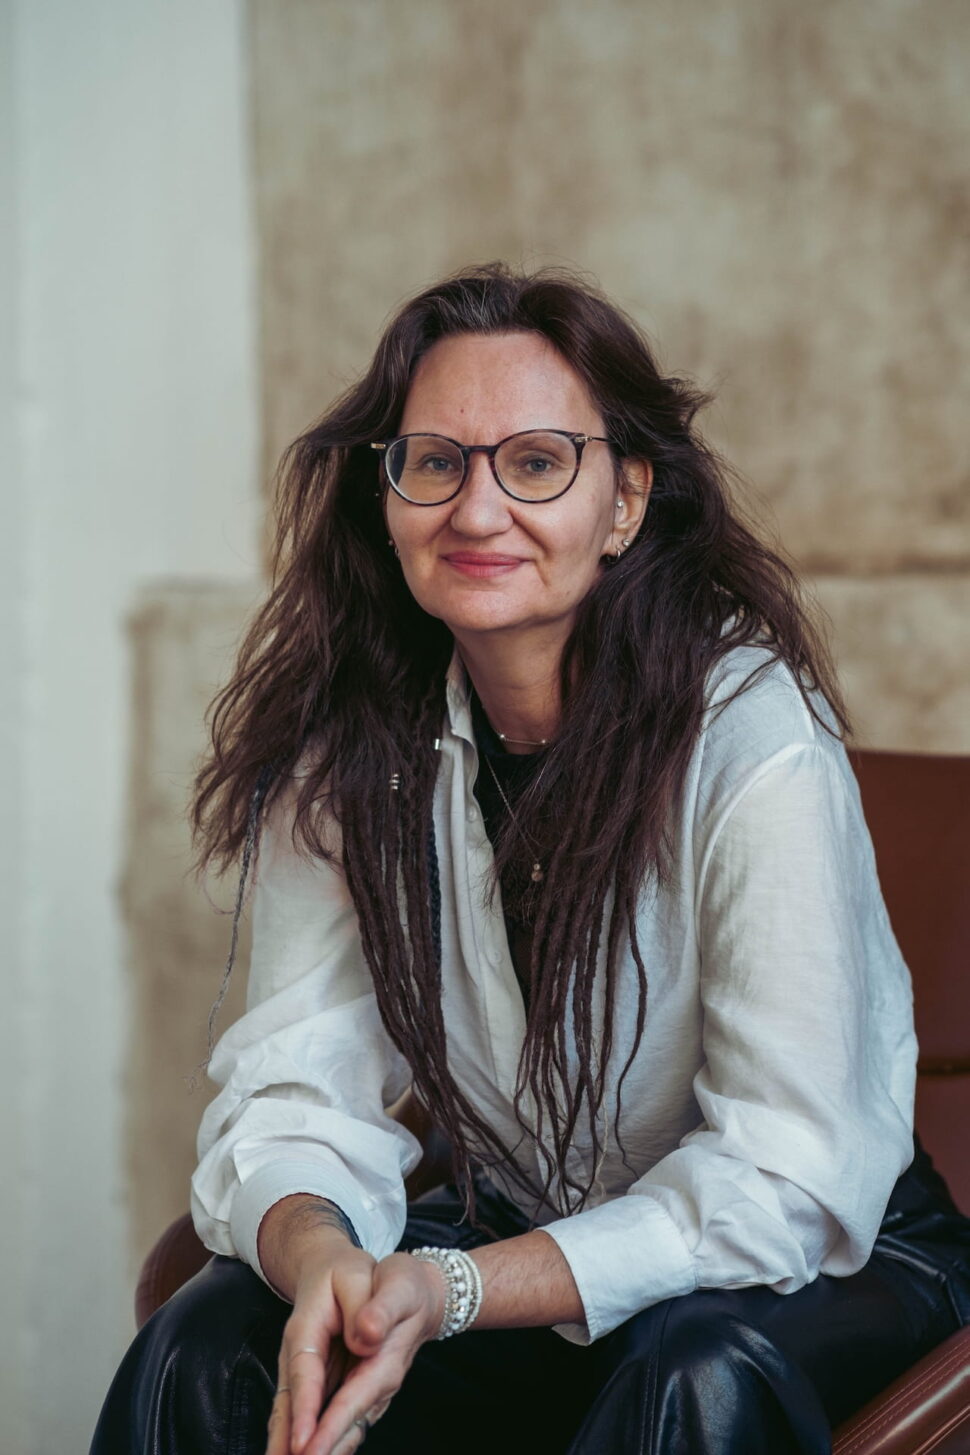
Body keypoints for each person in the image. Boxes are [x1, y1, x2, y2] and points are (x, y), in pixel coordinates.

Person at [92, 264, 970, 1455]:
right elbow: (296, 1089)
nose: (476, 509)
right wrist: (325, 1260)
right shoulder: (346, 746)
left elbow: (784, 1179)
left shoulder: (752, 740)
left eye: (538, 462)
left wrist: (453, 1287)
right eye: (434, 463)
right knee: (211, 1341)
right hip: (526, 1241)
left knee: (690, 1372)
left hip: (818, 1265)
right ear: (386, 498)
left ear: (624, 502)